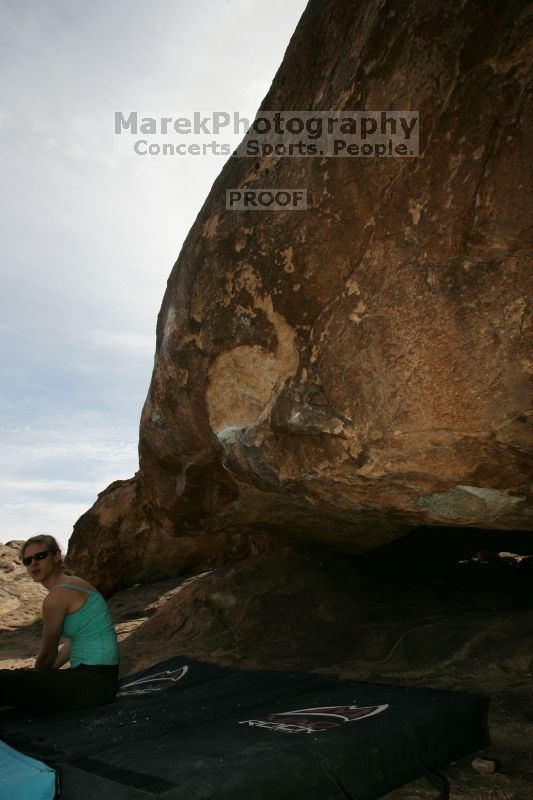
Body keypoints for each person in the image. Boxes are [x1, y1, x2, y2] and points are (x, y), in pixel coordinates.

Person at [0, 534, 119, 712]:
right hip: (102, 681)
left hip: (92, 682)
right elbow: (73, 641)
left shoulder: (58, 596)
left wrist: (35, 678)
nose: (34, 563)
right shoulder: (75, 583)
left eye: (40, 556)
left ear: (56, 556)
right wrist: (47, 675)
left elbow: (48, 654)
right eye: (28, 560)